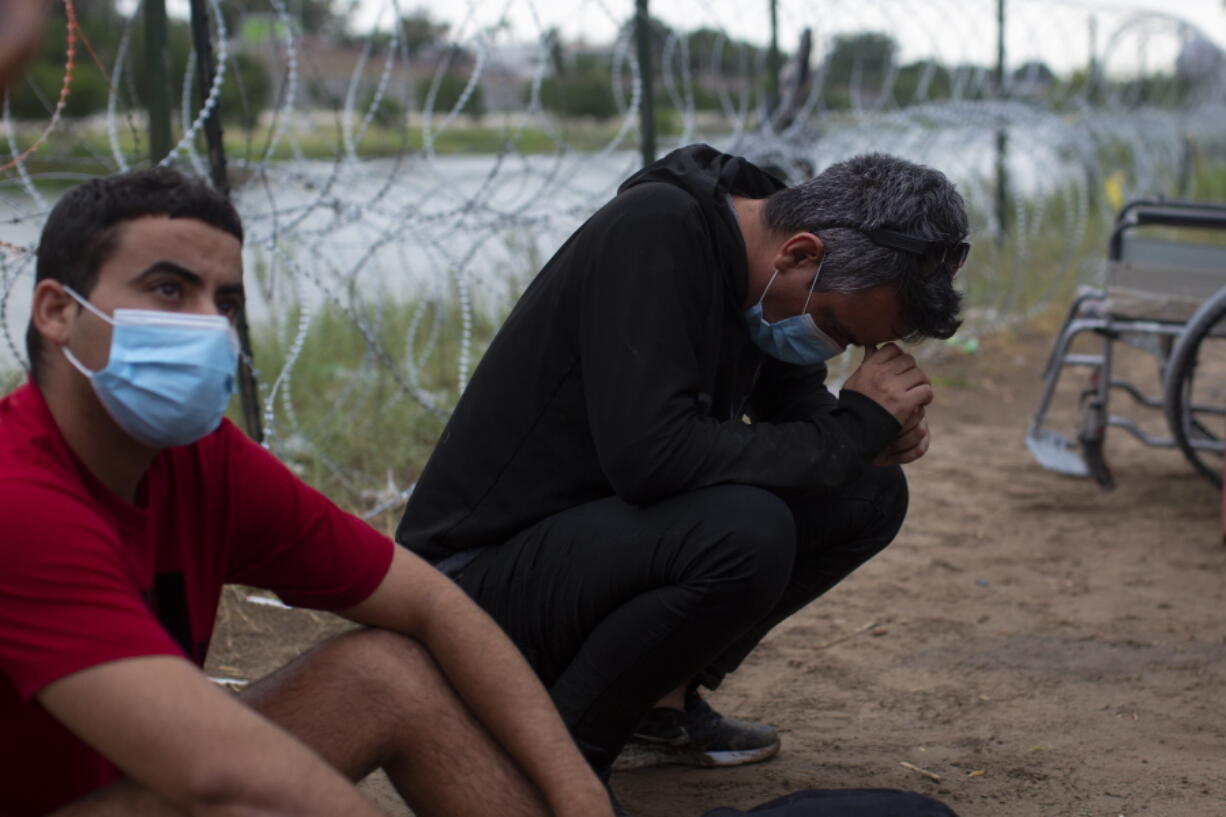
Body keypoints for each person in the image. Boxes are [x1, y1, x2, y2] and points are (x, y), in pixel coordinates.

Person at [0, 168, 617, 817]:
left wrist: (580, 796)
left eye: (227, 302)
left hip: (126, 789)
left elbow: (431, 601)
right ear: (57, 311)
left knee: (383, 676)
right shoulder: (19, 498)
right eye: (169, 289)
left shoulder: (203, 462)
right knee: (246, 792)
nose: (210, 327)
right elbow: (220, 772)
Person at [395, 145, 969, 777]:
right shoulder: (657, 232)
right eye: (835, 327)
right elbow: (653, 457)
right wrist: (848, 430)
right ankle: (555, 768)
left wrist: (869, 438)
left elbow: (796, 414)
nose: (833, 349)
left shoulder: (770, 272)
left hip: (583, 554)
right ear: (800, 254)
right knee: (745, 534)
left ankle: (653, 705)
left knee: (868, 492)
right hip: (469, 585)